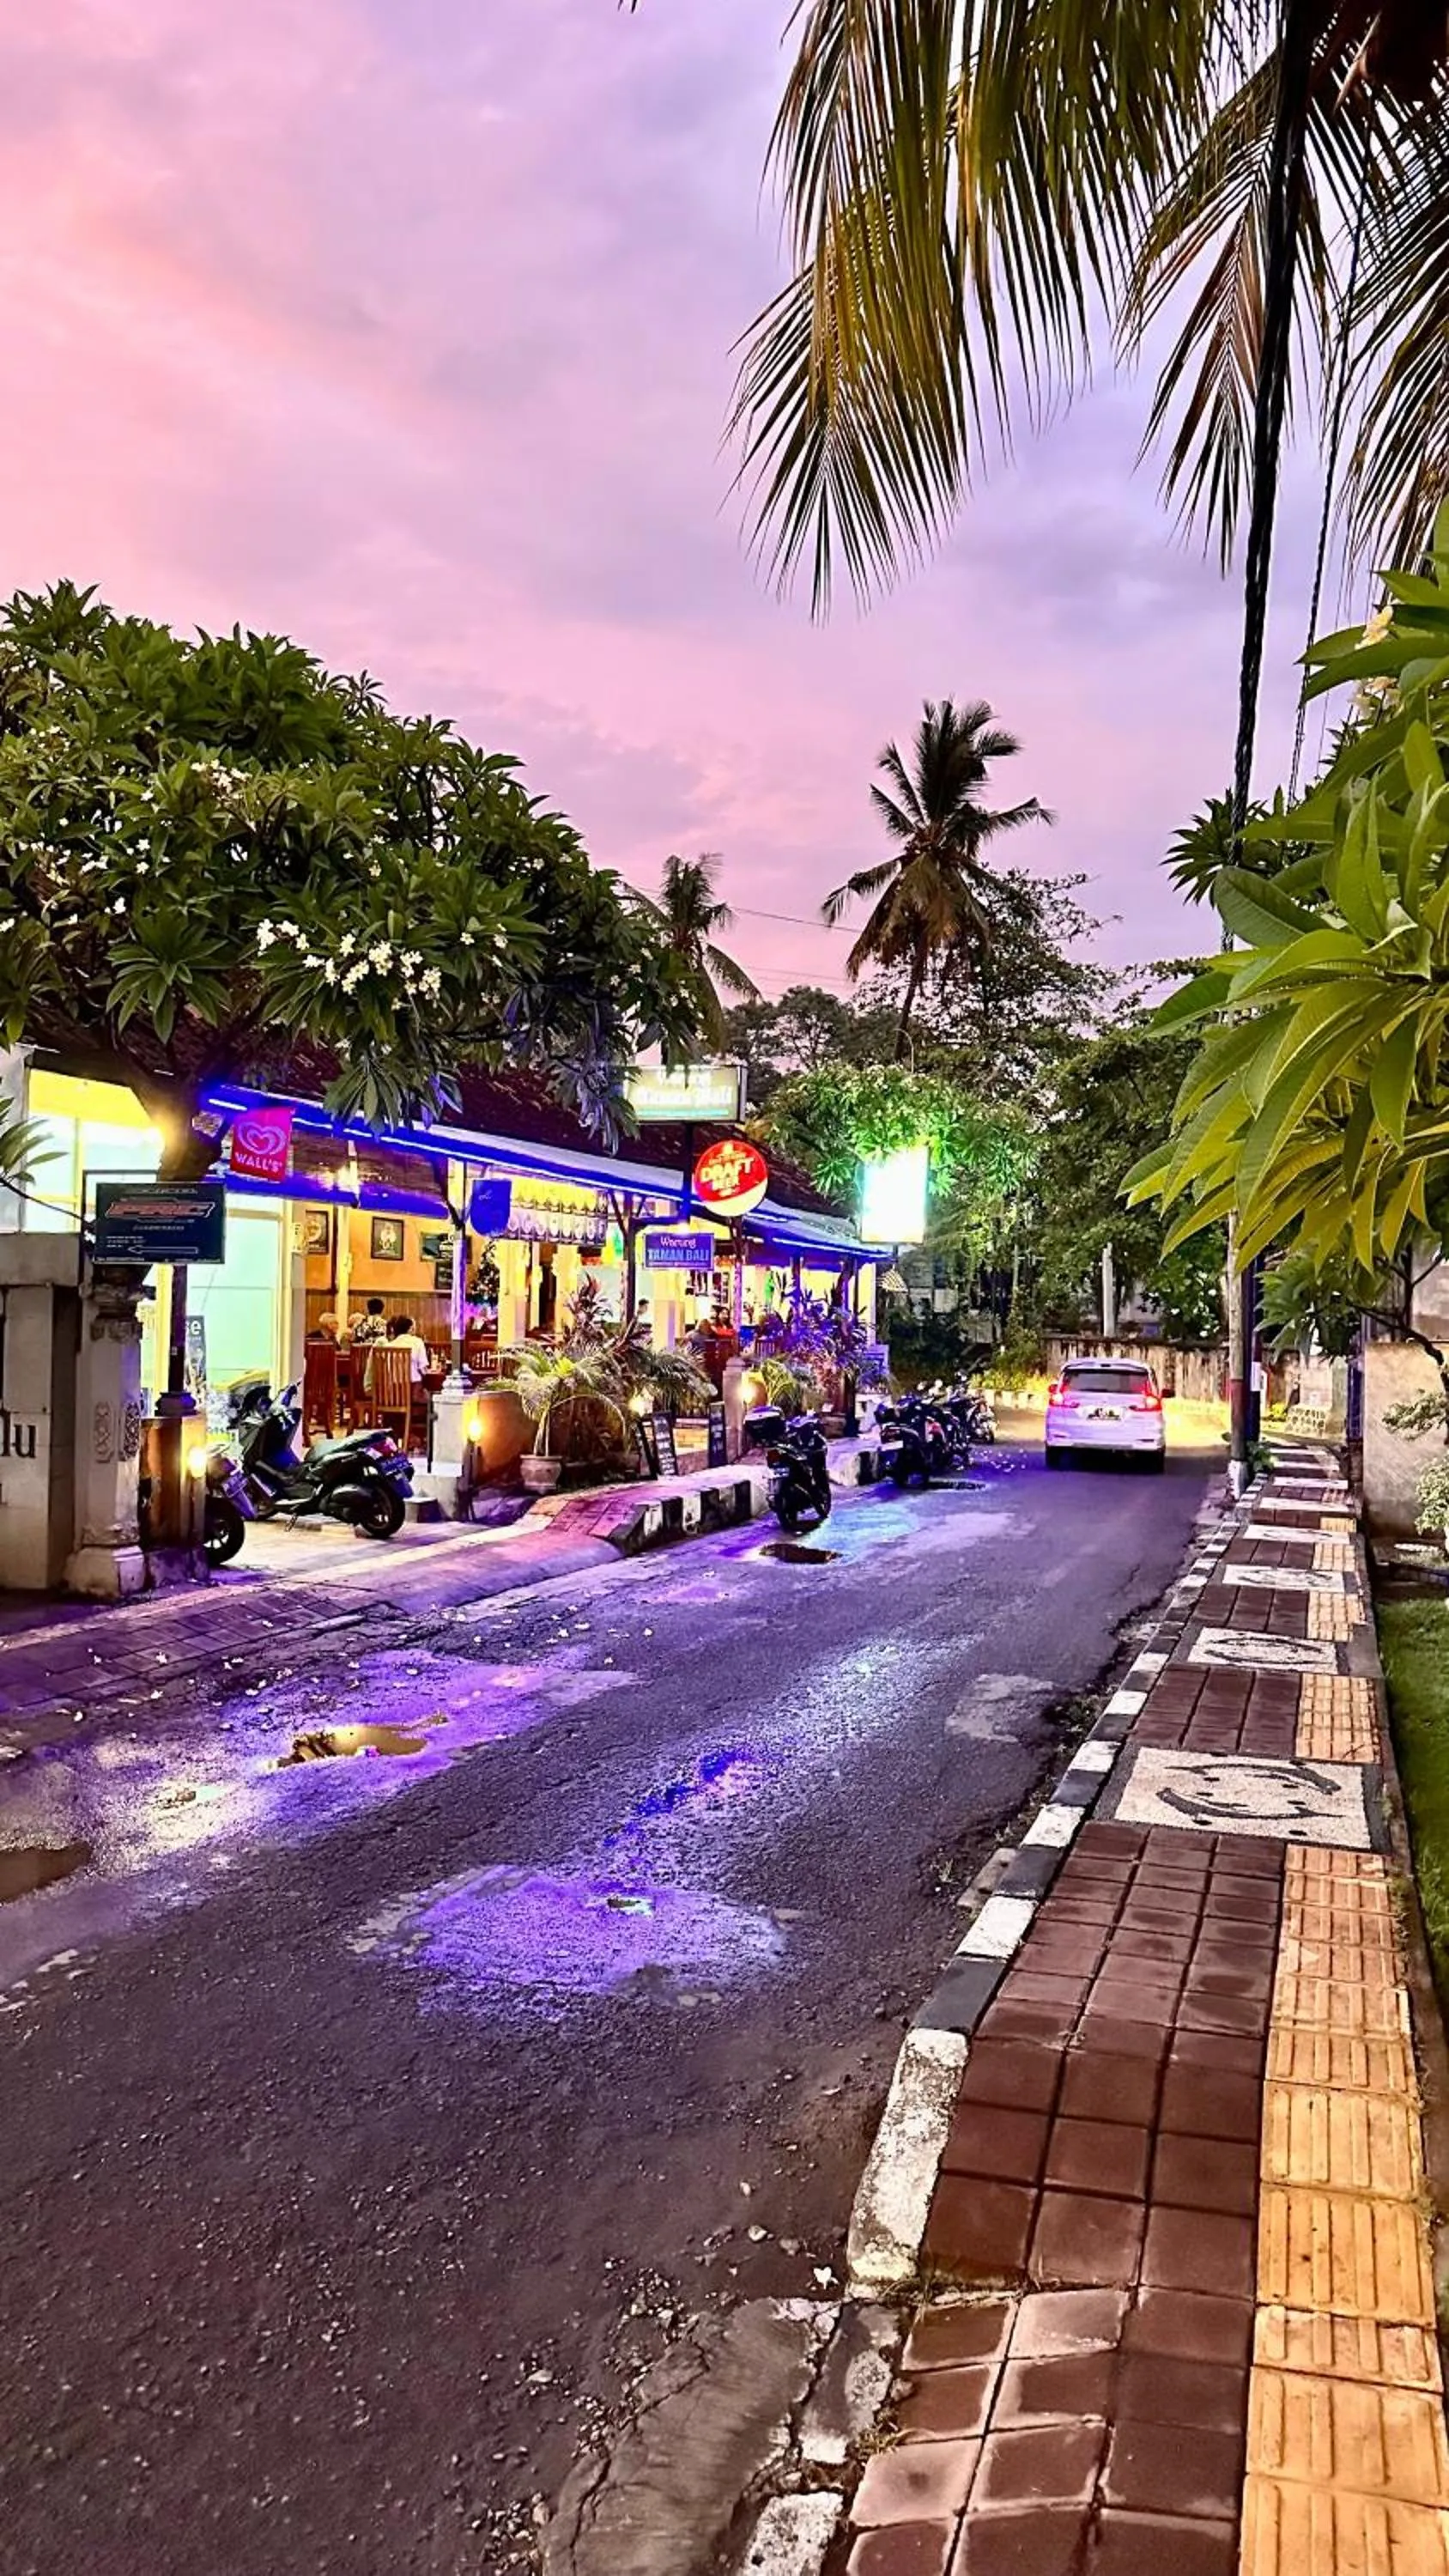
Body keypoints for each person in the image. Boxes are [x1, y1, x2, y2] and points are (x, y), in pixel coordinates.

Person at [385, 1313, 431, 1382]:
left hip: (394, 1387)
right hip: (413, 1386)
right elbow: (422, 1369)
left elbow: (388, 1369)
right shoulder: (417, 1342)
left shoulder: (389, 1345)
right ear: (410, 1329)